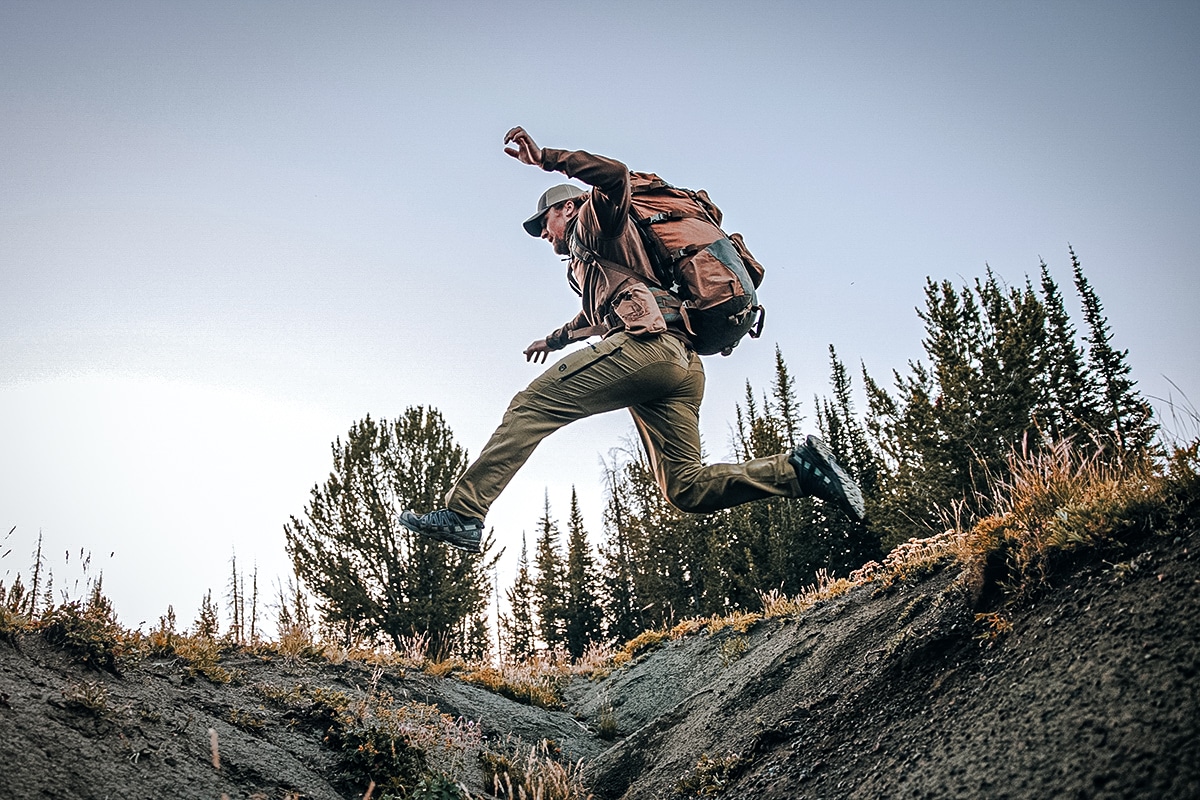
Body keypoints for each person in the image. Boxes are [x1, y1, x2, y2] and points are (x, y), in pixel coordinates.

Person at [398, 127, 864, 552]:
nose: (543, 234)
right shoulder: (590, 263)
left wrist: (548, 159)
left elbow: (616, 176)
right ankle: (799, 470)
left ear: (567, 208)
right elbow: (594, 316)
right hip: (681, 367)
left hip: (649, 350)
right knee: (686, 488)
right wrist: (552, 340)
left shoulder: (593, 221)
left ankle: (464, 513)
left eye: (545, 223)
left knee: (532, 406)